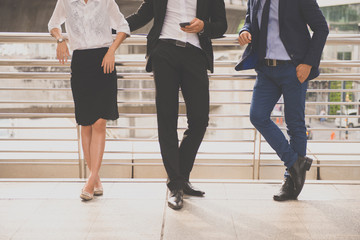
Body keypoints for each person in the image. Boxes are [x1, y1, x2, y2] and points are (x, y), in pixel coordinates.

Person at [126, 0, 227, 210]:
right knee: (167, 119)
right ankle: (176, 185)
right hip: (164, 52)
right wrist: (108, 26)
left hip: (195, 55)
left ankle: (179, 177)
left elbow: (222, 25)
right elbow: (142, 16)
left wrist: (204, 26)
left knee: (200, 121)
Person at [236, 0, 328, 201]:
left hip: (294, 69)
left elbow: (321, 28)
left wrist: (308, 64)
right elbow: (250, 20)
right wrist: (245, 30)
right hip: (266, 69)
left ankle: (291, 182)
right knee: (257, 116)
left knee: (295, 124)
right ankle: (295, 163)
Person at [48, 0, 130, 201]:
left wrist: (111, 50)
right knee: (85, 123)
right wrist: (60, 40)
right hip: (81, 62)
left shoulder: (105, 1)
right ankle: (96, 179)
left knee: (100, 122)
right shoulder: (66, 1)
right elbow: (53, 24)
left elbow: (123, 27)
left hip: (104, 60)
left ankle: (90, 179)